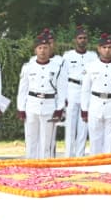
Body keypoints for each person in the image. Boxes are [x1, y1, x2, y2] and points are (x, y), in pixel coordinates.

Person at [16, 29, 65, 158]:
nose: (42, 51)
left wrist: (59, 109)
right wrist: (21, 108)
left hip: (50, 106)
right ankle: (30, 167)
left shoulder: (57, 68)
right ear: (35, 50)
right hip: (32, 105)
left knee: (47, 142)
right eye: (40, 48)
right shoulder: (28, 67)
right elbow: (22, 90)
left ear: (50, 49)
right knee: (31, 140)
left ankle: (46, 170)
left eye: (45, 48)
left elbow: (61, 90)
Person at [61, 25, 92, 157]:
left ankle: (80, 155)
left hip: (87, 91)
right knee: (70, 127)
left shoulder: (93, 56)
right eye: (80, 38)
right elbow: (62, 77)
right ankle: (69, 155)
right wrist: (64, 97)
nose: (82, 40)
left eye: (85, 38)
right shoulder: (67, 56)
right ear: (75, 40)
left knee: (83, 126)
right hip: (72, 90)